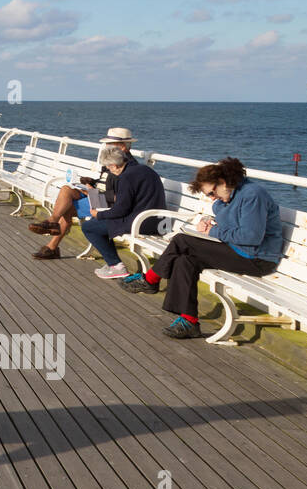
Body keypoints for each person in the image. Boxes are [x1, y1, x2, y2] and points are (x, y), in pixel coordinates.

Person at [121, 157, 283, 339]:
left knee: (182, 240)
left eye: (212, 193)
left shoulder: (253, 195)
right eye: (209, 195)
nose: (212, 198)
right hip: (238, 251)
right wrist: (210, 221)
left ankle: (150, 279)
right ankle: (189, 320)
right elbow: (231, 223)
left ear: (223, 182)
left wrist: (213, 231)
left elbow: (251, 237)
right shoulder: (229, 197)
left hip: (256, 258)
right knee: (184, 260)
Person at [28, 128, 137, 260]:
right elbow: (106, 181)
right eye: (107, 144)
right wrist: (92, 182)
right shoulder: (113, 158)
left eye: (110, 144)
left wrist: (91, 192)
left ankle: (52, 239)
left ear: (123, 147)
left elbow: (120, 196)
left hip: (106, 202)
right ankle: (52, 225)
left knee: (66, 207)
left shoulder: (129, 167)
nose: (107, 146)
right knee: (66, 189)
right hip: (97, 194)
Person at [78, 147, 166, 278]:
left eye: (108, 168)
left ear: (113, 165)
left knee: (89, 227)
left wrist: (99, 214)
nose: (109, 170)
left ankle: (116, 265)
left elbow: (121, 210)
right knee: (98, 223)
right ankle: (113, 264)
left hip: (141, 223)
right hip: (158, 220)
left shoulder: (126, 177)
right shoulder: (145, 169)